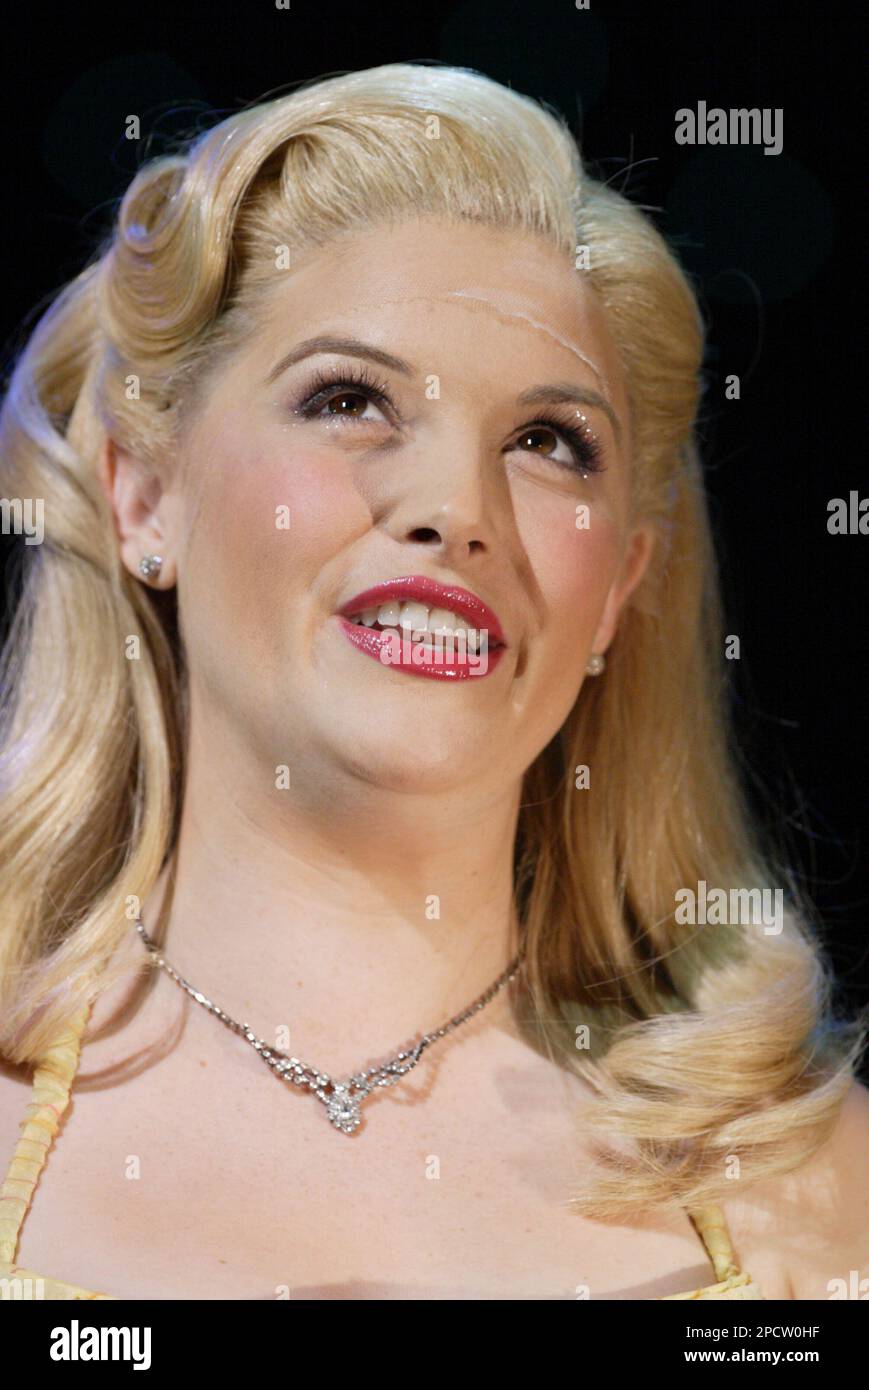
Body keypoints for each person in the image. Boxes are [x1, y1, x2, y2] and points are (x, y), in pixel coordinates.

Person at [0, 62, 866, 1301]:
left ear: (616, 586)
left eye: (546, 442)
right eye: (349, 398)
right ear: (145, 493)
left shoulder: (816, 1192)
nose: (456, 509)